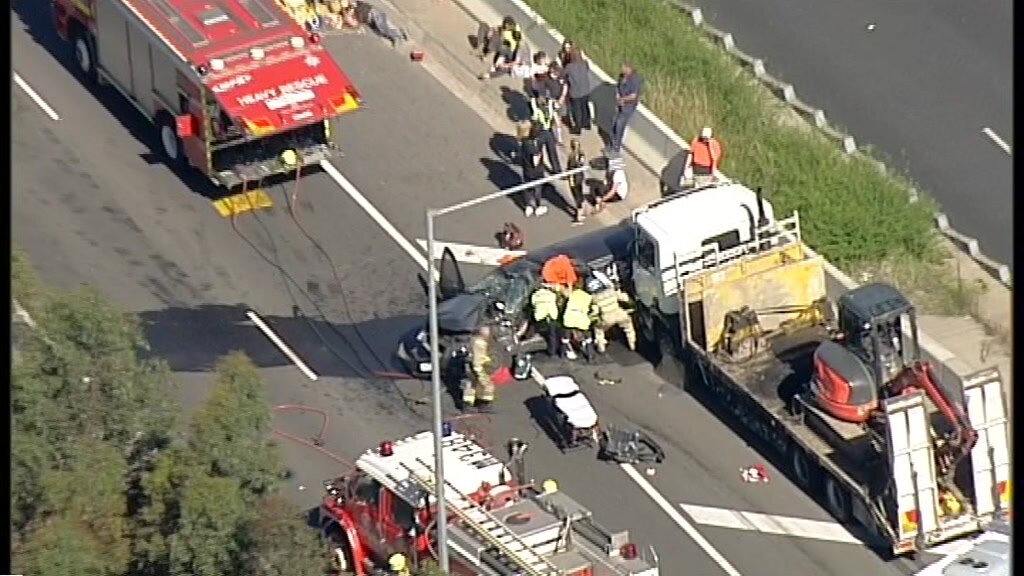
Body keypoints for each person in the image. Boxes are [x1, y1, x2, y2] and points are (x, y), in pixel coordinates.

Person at [588, 271, 637, 353]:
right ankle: (632, 344)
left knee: (598, 330)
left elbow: (595, 311)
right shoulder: (611, 291)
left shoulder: (594, 298)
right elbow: (624, 298)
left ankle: (601, 348)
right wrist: (632, 304)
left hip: (606, 318)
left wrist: (591, 316)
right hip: (619, 313)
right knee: (629, 327)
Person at [609, 62, 643, 155]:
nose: (622, 70)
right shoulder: (622, 76)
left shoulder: (635, 80)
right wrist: (617, 96)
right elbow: (618, 86)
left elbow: (633, 95)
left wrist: (623, 99)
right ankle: (611, 144)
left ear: (629, 68)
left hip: (627, 107)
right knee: (614, 123)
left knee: (620, 126)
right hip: (620, 103)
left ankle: (616, 147)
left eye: (623, 68)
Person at [342, 2, 408, 46]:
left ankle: (400, 34)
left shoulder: (352, 10)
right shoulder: (352, 12)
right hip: (369, 19)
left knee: (384, 28)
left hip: (372, 13)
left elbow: (353, 21)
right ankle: (396, 36)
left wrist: (351, 10)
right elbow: (355, 23)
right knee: (380, 31)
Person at [519, 124, 549, 217]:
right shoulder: (534, 148)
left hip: (526, 169)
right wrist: (540, 156)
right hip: (536, 172)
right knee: (537, 189)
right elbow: (535, 162)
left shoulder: (524, 142)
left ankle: (528, 206)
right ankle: (538, 206)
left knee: (527, 187)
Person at [465, 325, 495, 412]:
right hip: (479, 367)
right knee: (486, 384)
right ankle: (484, 403)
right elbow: (478, 359)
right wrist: (480, 370)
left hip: (475, 366)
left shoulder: (475, 341)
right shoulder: (479, 343)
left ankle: (470, 403)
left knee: (471, 384)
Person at [561, 283, 594, 360]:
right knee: (588, 338)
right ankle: (590, 356)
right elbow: (591, 309)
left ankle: (563, 354)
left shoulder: (571, 295)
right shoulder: (588, 297)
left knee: (565, 338)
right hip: (581, 319)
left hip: (569, 318)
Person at [563, 48, 593, 134]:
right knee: (585, 108)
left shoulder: (569, 67)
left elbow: (563, 75)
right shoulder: (584, 63)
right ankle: (587, 124)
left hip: (575, 92)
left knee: (577, 111)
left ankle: (578, 128)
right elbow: (587, 68)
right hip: (586, 90)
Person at [531, 94, 563, 175]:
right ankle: (557, 170)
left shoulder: (537, 111)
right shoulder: (551, 109)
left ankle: (537, 169)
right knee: (552, 152)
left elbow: (534, 119)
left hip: (539, 133)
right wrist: (559, 137)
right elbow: (557, 122)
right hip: (549, 132)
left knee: (537, 152)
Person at [530, 282, 562, 356]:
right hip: (551, 316)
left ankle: (535, 350)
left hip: (539, 316)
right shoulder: (551, 294)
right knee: (552, 335)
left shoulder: (535, 295)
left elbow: (533, 304)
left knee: (538, 333)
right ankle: (552, 352)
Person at [566, 139, 591, 224]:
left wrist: (569, 178)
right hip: (580, 176)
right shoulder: (581, 154)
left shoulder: (572, 156)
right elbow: (581, 164)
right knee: (579, 193)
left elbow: (570, 168)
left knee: (577, 196)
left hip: (574, 178)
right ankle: (583, 210)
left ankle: (579, 216)